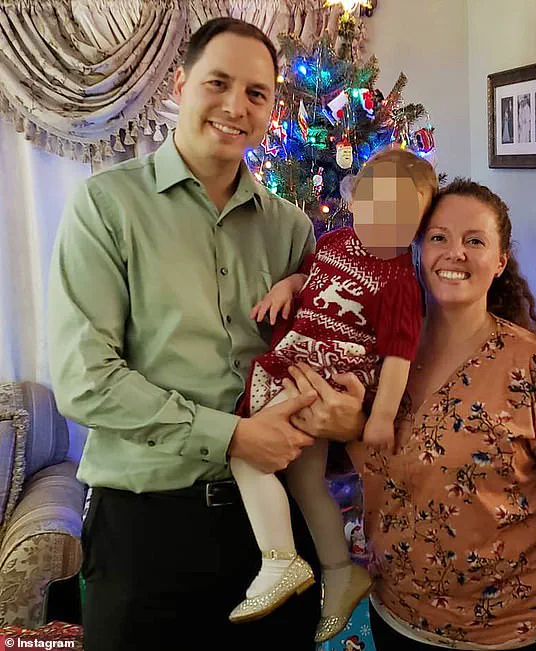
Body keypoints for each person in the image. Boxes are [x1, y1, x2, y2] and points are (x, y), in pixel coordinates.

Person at [47, 17, 363, 651]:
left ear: (272, 109)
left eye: (256, 93)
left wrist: (348, 413)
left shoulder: (292, 229)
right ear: (179, 83)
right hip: (147, 530)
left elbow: (325, 351)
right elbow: (85, 381)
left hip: (273, 533)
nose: (236, 106)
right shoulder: (105, 207)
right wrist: (235, 436)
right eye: (218, 83)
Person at [283, 179, 536, 651]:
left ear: (500, 261)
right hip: (397, 619)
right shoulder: (374, 354)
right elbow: (364, 460)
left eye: (474, 241)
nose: (454, 253)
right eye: (439, 237)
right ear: (418, 250)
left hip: (515, 633)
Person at [228, 147, 437, 643]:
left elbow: (399, 356)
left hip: (329, 372)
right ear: (356, 199)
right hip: (303, 360)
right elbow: (315, 275)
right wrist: (288, 285)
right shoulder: (335, 241)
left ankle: (280, 558)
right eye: (377, 207)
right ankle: (340, 571)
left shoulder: (399, 281)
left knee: (245, 452)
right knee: (306, 480)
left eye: (403, 217)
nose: (385, 224)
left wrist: (380, 417)